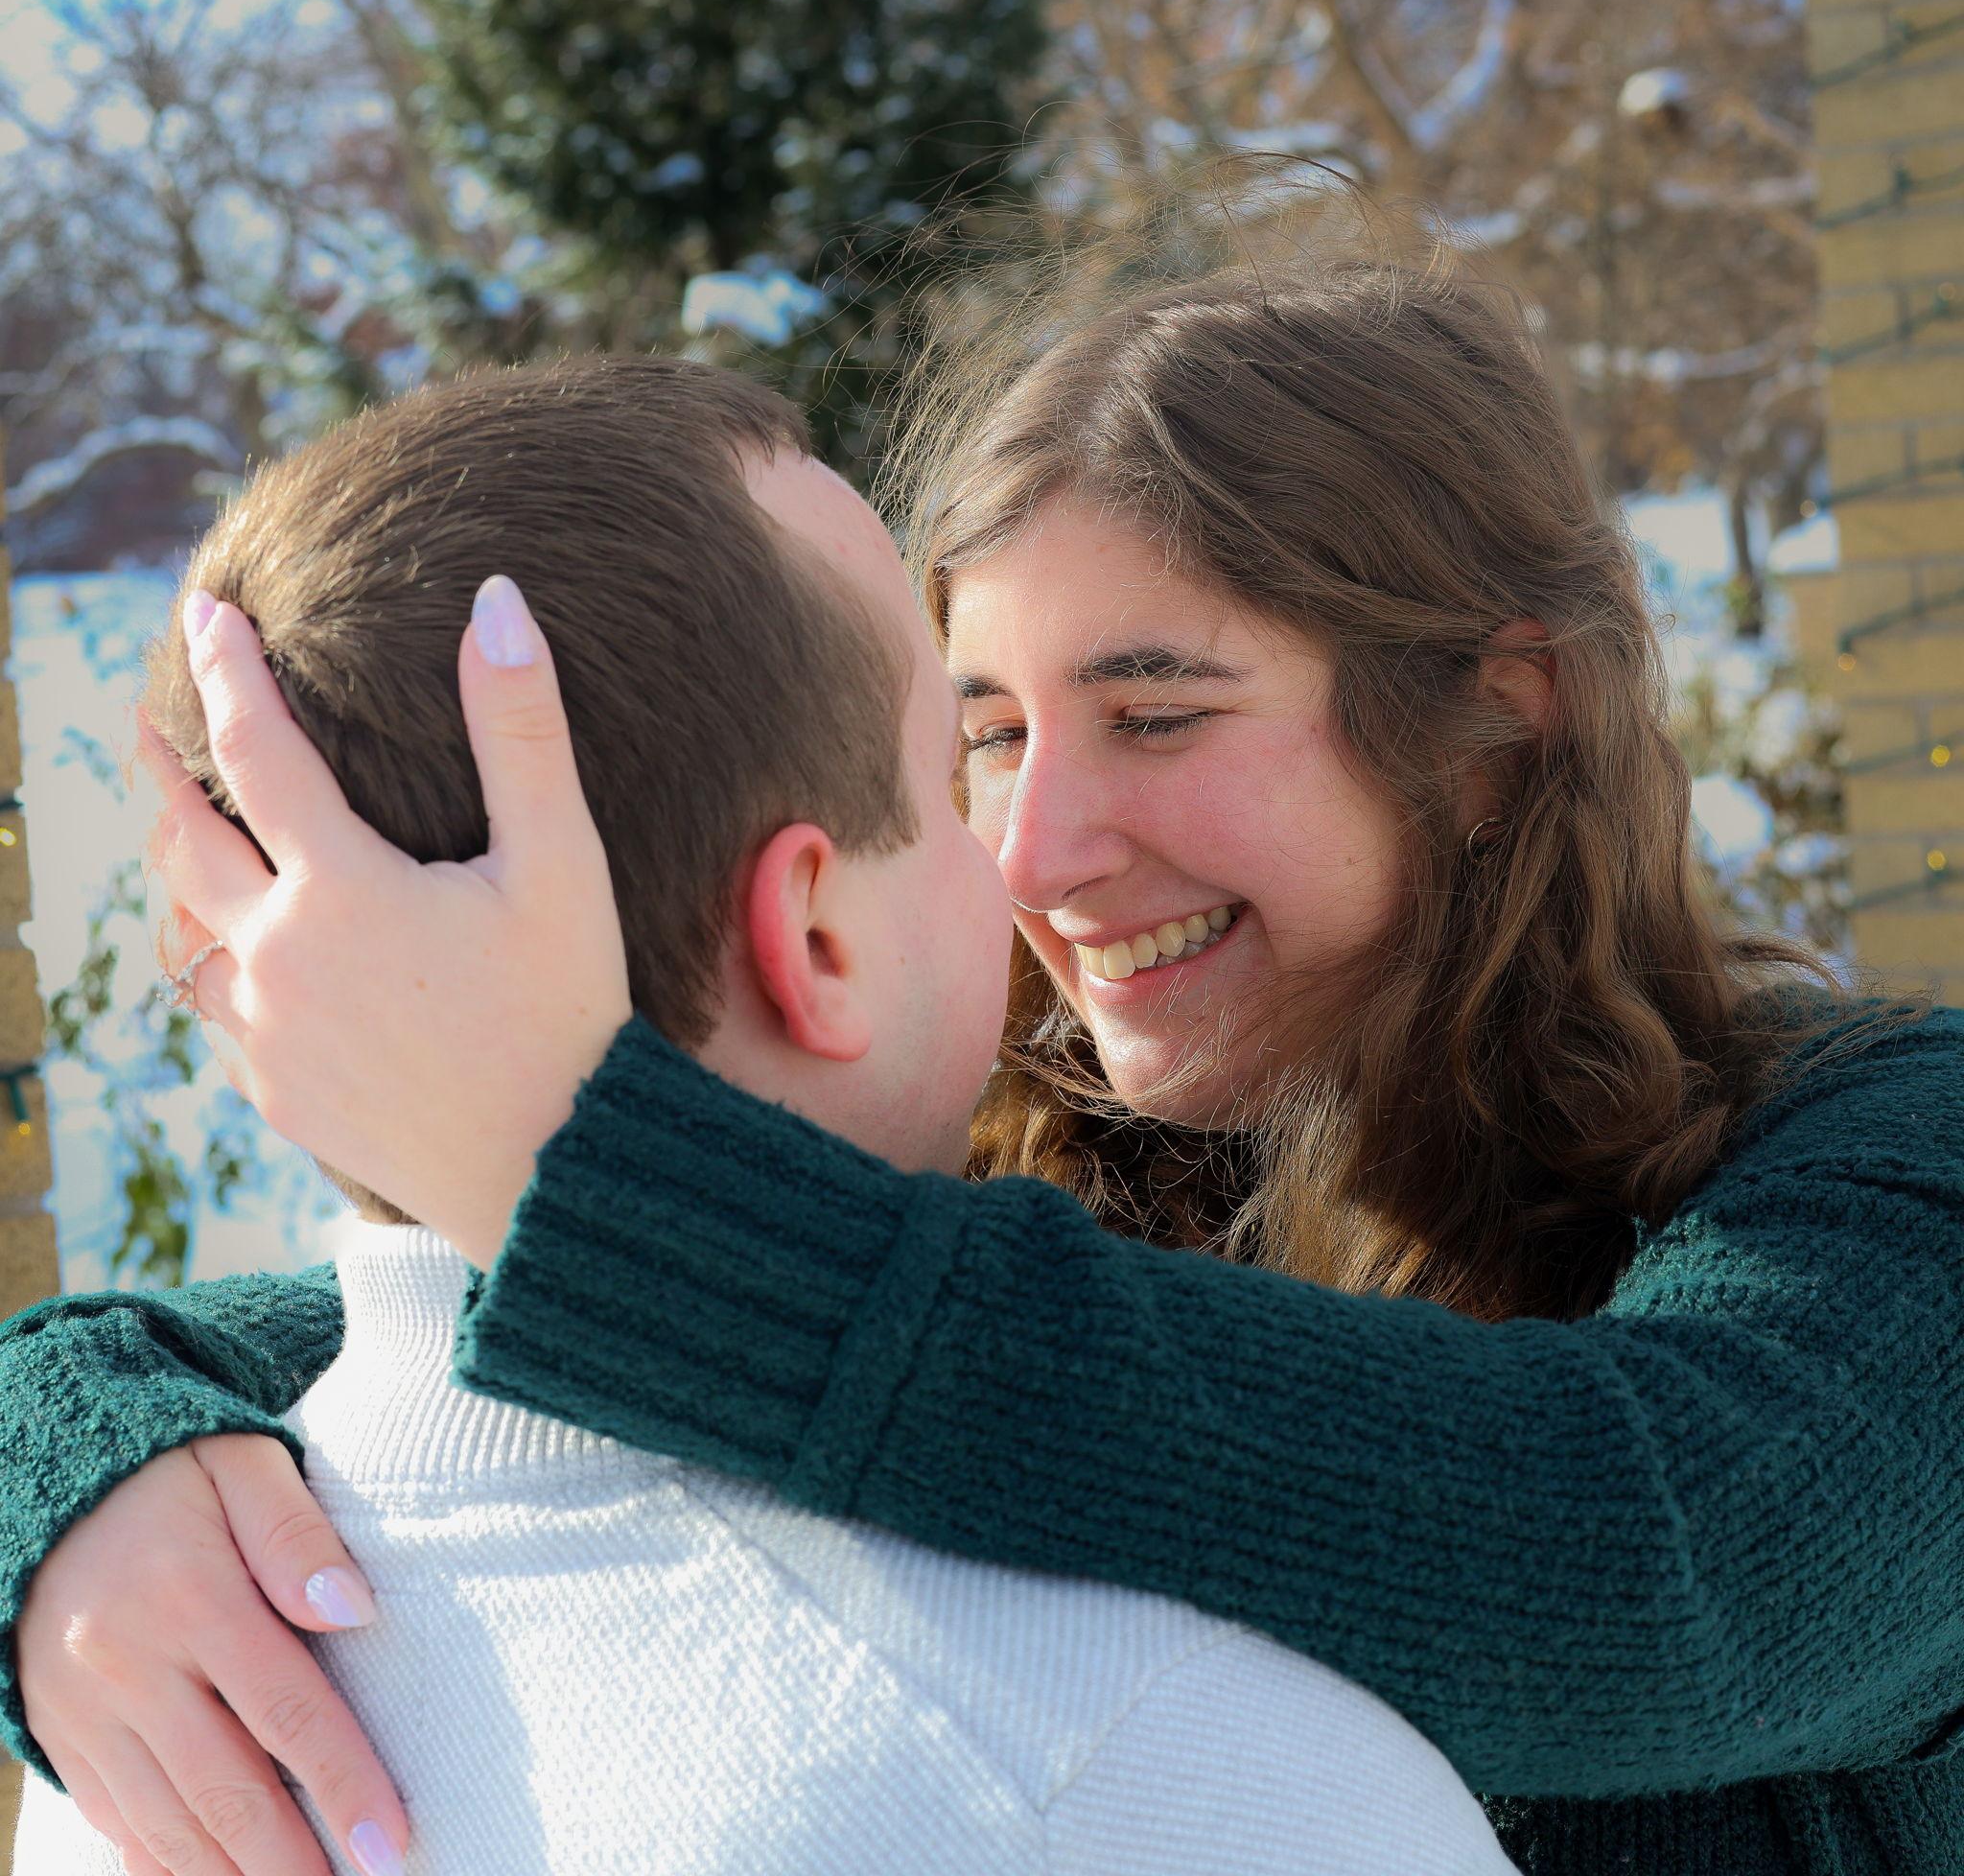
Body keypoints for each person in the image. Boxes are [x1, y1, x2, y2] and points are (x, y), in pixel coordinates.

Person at [5, 245, 1962, 1876]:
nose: (1028, 852)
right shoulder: (1013, 1185)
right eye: (984, 739)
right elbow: (368, 1342)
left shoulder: (1891, 1173)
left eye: (1154, 710)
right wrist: (67, 1469)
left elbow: (1652, 1557)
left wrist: (588, 1170)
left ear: (1491, 723)